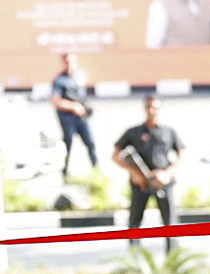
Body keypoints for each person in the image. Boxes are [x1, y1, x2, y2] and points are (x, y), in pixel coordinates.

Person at [112, 94, 184, 251]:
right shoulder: (134, 132)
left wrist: (168, 174)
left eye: (155, 107)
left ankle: (172, 261)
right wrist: (133, 172)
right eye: (148, 107)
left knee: (170, 223)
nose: (151, 110)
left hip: (163, 183)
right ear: (145, 108)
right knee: (135, 223)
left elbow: (181, 155)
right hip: (141, 183)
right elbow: (115, 156)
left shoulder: (168, 132)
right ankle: (135, 261)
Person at [49, 52, 97, 175]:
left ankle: (97, 172)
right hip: (68, 118)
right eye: (67, 62)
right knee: (67, 146)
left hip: (81, 117)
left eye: (72, 62)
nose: (70, 65)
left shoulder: (79, 76)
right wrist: (73, 107)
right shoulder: (59, 80)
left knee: (90, 143)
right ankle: (64, 172)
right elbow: (55, 100)